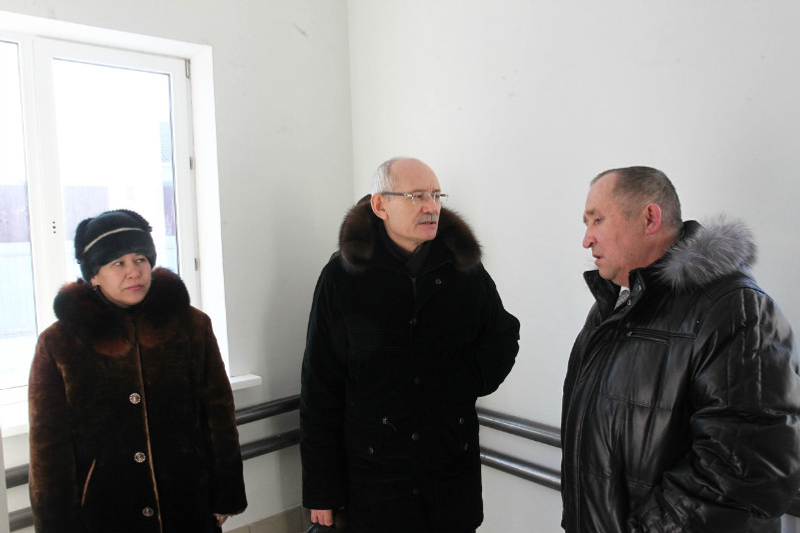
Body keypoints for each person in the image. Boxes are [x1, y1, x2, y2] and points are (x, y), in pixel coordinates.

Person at [561, 166, 800, 532]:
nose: (586, 239)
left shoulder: (735, 308)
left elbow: (743, 472)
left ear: (649, 218)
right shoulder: (613, 308)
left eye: (597, 220)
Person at [300, 157, 520, 533]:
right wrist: (322, 490)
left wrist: (466, 380)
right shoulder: (343, 276)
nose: (431, 207)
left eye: (436, 195)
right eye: (417, 196)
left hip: (449, 473)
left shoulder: (463, 268)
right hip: (374, 478)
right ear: (380, 205)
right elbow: (320, 385)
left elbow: (502, 335)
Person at [28, 209, 247, 533]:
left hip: (187, 503)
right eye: (118, 263)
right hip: (103, 513)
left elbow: (218, 414)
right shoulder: (59, 343)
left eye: (140, 259)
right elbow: (48, 447)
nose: (134, 272)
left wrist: (225, 494)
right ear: (93, 275)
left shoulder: (191, 326)